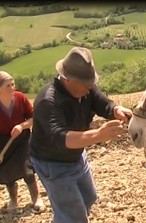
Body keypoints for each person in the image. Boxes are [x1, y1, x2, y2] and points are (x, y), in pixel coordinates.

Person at [29, 47, 132, 223]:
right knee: (73, 217)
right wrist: (99, 134)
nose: (90, 87)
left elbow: (102, 102)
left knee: (89, 198)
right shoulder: (49, 100)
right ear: (68, 79)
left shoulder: (85, 89)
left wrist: (116, 109)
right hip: (53, 164)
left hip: (77, 157)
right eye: (86, 83)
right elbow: (61, 138)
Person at [0, 71, 44, 213]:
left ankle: (36, 198)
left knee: (28, 170)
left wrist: (21, 126)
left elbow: (33, 118)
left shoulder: (20, 98)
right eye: (8, 86)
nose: (13, 88)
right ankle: (13, 200)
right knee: (7, 174)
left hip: (22, 140)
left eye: (13, 84)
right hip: (2, 143)